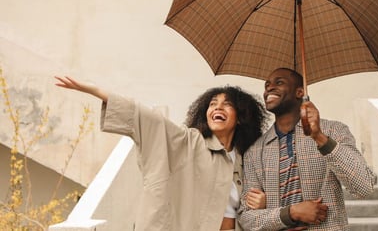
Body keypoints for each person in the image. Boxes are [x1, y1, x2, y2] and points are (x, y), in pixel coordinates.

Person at [54, 76, 268, 231]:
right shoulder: (189, 142)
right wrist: (98, 91)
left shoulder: (246, 158)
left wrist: (261, 203)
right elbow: (149, 121)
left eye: (226, 105)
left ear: (240, 117)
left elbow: (251, 206)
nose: (217, 108)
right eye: (213, 104)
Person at [238, 68, 376, 230]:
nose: (269, 88)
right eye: (267, 85)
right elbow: (246, 218)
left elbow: (364, 187)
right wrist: (291, 213)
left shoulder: (334, 131)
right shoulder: (255, 151)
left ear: (300, 92)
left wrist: (319, 137)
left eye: (279, 82)